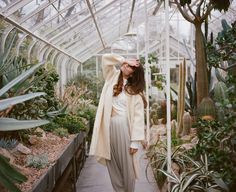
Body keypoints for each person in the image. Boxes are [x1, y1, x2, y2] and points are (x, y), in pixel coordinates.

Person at [89, 53, 147, 192]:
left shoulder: (135, 92)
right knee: (112, 164)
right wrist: (123, 59)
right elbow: (105, 58)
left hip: (124, 128)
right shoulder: (112, 77)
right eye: (127, 64)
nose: (126, 65)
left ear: (133, 74)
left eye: (131, 66)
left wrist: (135, 142)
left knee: (127, 166)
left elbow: (138, 118)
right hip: (108, 128)